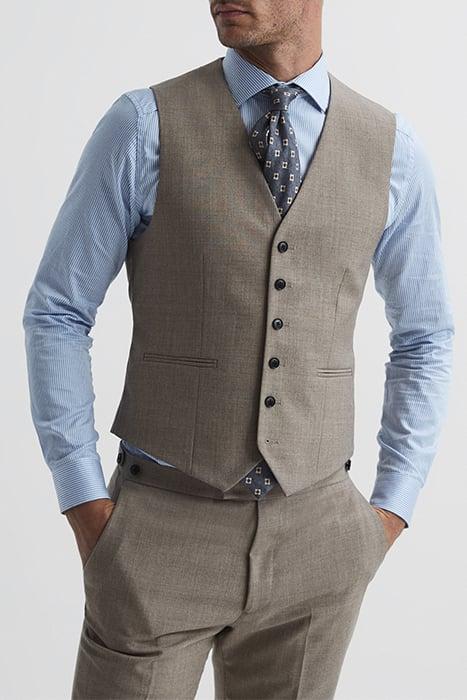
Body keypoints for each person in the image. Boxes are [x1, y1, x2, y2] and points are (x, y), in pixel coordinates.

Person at [22, 1, 455, 698]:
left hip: (319, 539)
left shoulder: (392, 149)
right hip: (156, 532)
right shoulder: (142, 124)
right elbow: (58, 311)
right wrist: (85, 504)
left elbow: (424, 337)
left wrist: (388, 512)